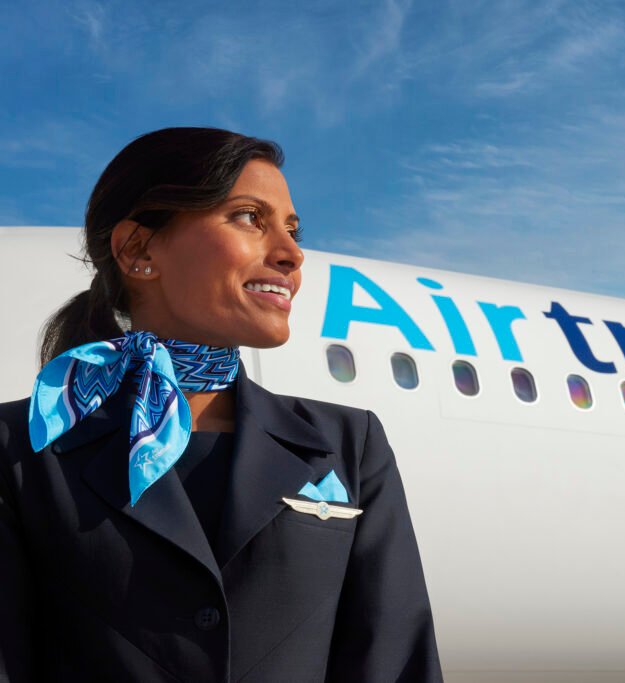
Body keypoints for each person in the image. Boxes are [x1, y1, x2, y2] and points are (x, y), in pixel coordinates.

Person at [0, 127, 443, 681]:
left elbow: (395, 661)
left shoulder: (349, 446)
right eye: (249, 218)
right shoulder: (20, 447)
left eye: (292, 228)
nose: (291, 254)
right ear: (139, 250)